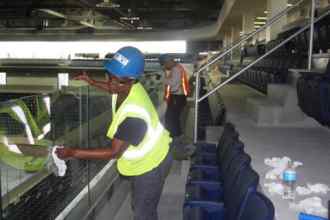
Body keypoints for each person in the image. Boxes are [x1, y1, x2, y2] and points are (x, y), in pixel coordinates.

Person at [56, 46, 173, 220]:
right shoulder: (128, 87)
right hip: (148, 158)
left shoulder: (134, 116)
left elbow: (114, 152)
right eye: (110, 77)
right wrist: (92, 82)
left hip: (152, 163)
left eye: (118, 81)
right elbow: (112, 88)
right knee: (138, 204)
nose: (112, 83)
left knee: (143, 212)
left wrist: (72, 152)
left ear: (132, 80)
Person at [159, 54, 190, 140]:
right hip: (179, 96)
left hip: (177, 97)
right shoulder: (178, 67)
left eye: (165, 64)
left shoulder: (176, 69)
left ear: (169, 62)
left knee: (171, 118)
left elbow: (173, 84)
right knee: (173, 117)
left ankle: (174, 136)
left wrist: (162, 79)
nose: (165, 66)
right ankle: (176, 135)